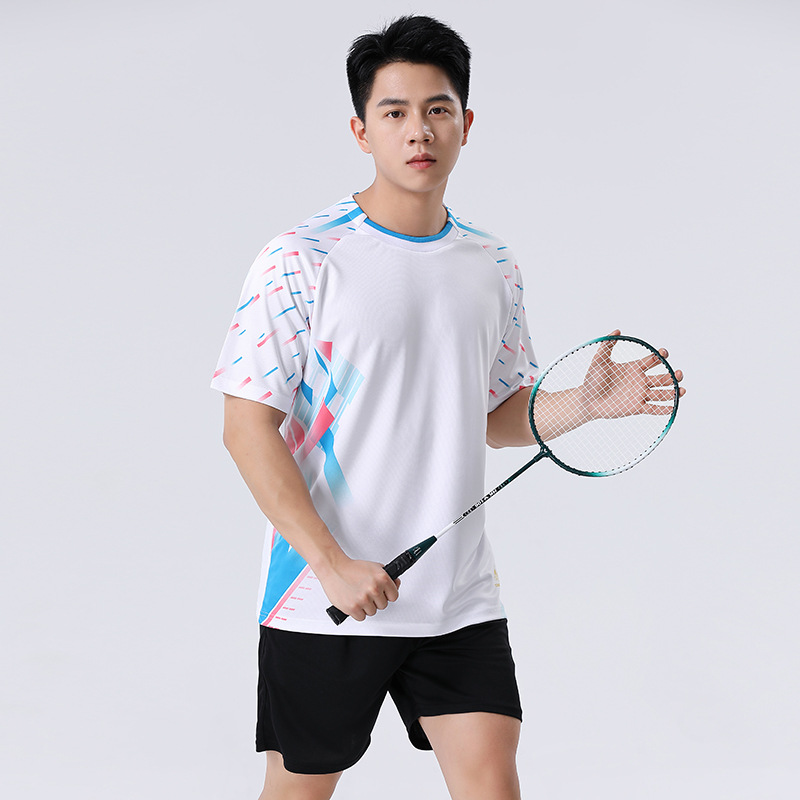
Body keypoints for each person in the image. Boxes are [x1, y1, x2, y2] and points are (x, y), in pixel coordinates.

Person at [211, 15, 683, 800]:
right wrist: (331, 564)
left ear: (465, 124)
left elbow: (494, 417)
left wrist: (585, 403)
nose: (418, 130)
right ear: (361, 131)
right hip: (324, 596)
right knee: (298, 792)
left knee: (492, 784)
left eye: (437, 110)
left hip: (458, 595)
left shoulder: (491, 262)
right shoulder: (302, 257)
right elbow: (244, 427)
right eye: (394, 112)